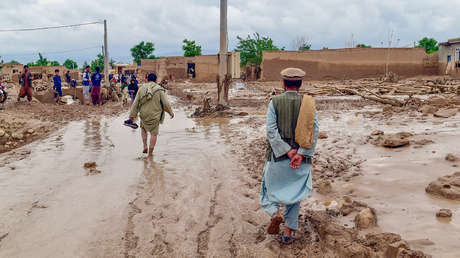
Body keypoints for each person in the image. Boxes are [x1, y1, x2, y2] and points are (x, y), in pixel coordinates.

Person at [259, 68, 319, 244]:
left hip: (277, 158)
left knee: (266, 190)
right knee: (295, 195)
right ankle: (287, 234)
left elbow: (271, 131)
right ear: (300, 85)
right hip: (300, 162)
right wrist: (300, 154)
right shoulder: (309, 103)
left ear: (283, 84)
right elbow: (314, 131)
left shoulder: (275, 102)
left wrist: (286, 150)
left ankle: (274, 213)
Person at [127, 73, 174, 156]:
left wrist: (132, 117)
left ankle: (145, 146)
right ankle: (151, 153)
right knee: (154, 133)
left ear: (147, 79)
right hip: (155, 115)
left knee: (143, 129)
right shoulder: (159, 89)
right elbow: (166, 103)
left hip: (144, 114)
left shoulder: (141, 89)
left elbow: (135, 103)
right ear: (156, 80)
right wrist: (171, 112)